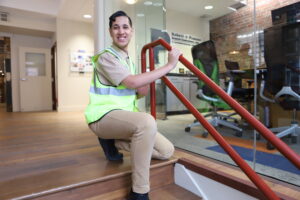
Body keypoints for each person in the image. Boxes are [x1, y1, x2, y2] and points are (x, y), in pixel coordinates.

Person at [85, 10, 181, 200]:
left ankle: (112, 141)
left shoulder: (129, 62)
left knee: (166, 151)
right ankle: (139, 191)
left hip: (123, 120)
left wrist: (143, 76)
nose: (121, 31)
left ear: (132, 31)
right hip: (102, 117)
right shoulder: (106, 57)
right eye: (116, 27)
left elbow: (141, 91)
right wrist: (168, 66)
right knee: (147, 122)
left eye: (125, 27)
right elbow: (131, 83)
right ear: (110, 32)